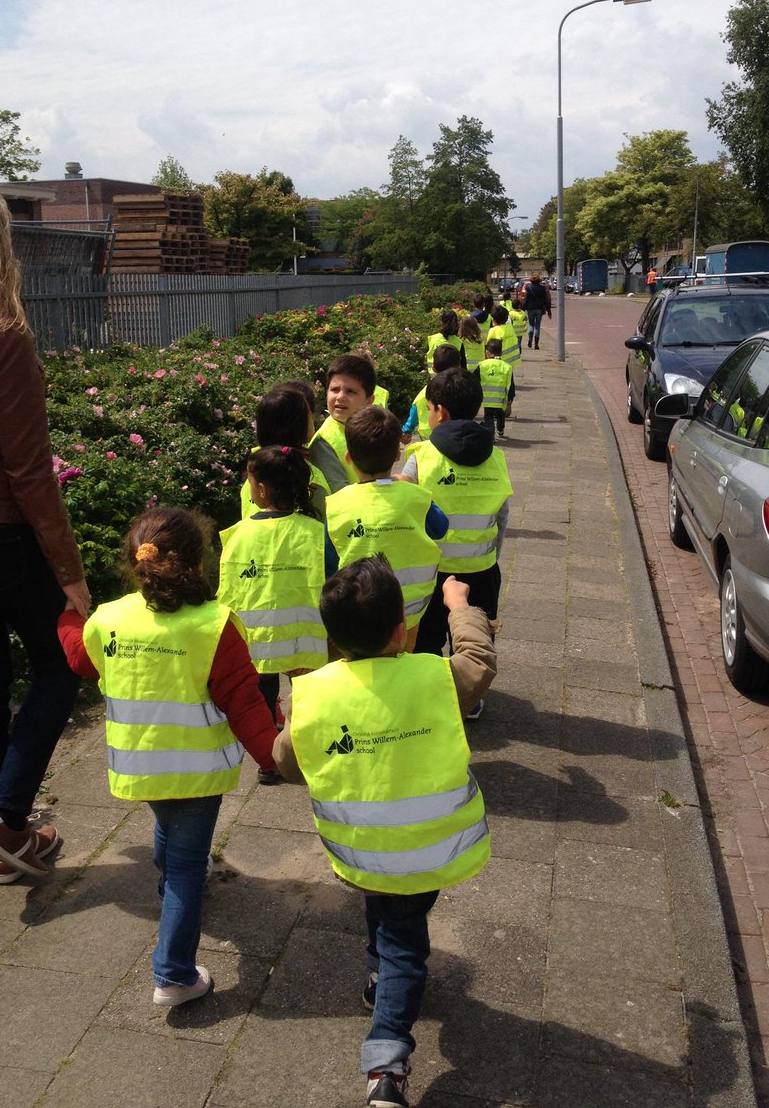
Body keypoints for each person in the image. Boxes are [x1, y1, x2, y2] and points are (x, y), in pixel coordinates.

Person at [271, 555, 496, 1108]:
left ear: (333, 636)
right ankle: (386, 1063)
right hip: (431, 847)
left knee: (386, 908)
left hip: (361, 850)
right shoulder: (435, 676)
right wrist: (460, 606)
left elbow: (285, 763)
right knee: (406, 942)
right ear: (402, 630)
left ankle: (377, 974)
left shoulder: (314, 692)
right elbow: (478, 658)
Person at [58, 507, 279, 1005]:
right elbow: (244, 704)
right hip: (199, 769)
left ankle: (167, 890)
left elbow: (79, 657)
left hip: (140, 764)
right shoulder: (213, 624)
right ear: (199, 566)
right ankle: (174, 974)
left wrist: (68, 615)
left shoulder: (109, 619)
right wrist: (275, 755)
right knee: (186, 865)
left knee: (169, 832)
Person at [0, 180, 91, 885]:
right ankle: (7, 816)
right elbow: (29, 471)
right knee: (63, 661)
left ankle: (6, 838)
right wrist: (71, 576)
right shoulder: (0, 336)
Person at [220, 445, 328, 782]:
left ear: (261, 490)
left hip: (257, 643)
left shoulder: (236, 536)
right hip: (303, 641)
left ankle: (271, 762)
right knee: (308, 700)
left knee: (262, 702)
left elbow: (227, 590)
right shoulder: (314, 531)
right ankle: (309, 755)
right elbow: (334, 573)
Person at [402, 369, 512, 692]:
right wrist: (491, 558)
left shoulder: (421, 458)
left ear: (441, 412)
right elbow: (502, 518)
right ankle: (471, 699)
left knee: (427, 641)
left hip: (431, 573)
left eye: (429, 408)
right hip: (482, 570)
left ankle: (432, 696)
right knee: (473, 638)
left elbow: (407, 511)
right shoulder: (497, 458)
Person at [326, 406, 447, 650]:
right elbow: (440, 527)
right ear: (396, 455)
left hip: (360, 604)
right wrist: (415, 489)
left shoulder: (337, 504)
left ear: (349, 458)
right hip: (411, 604)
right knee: (406, 656)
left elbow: (330, 560)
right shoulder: (415, 496)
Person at [239, 382, 342, 521]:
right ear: (297, 426)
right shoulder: (308, 475)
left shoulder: (254, 468)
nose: (313, 419)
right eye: (309, 415)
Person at [312, 354, 376, 484]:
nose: (340, 397)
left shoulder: (372, 430)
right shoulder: (323, 443)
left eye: (350, 391)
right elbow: (338, 494)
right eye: (335, 389)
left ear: (369, 400)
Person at [400, 344, 463, 445]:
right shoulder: (461, 390)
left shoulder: (426, 391)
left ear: (433, 367)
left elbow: (415, 410)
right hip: (453, 439)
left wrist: (407, 430)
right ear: (458, 366)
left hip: (428, 439)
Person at [478, 337, 515, 440]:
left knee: (488, 418)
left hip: (487, 399)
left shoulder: (482, 365)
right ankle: (500, 429)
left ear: (487, 352)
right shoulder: (507, 366)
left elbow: (475, 380)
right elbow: (511, 383)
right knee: (500, 415)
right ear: (501, 352)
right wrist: (511, 396)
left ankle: (491, 434)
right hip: (500, 399)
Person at [523, 274, 550, 350]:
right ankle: (536, 344)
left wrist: (523, 310)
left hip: (530, 308)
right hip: (539, 309)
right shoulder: (542, 288)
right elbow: (546, 300)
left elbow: (526, 300)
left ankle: (530, 339)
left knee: (531, 324)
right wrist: (549, 312)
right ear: (539, 280)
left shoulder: (528, 287)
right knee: (537, 326)